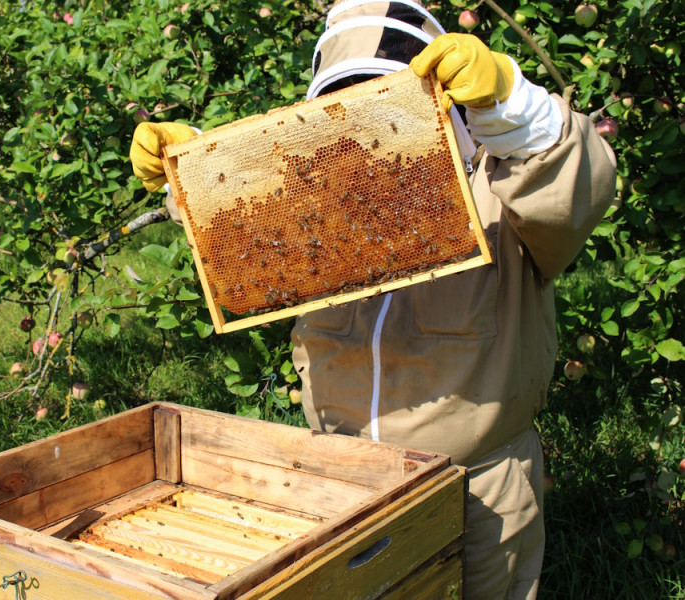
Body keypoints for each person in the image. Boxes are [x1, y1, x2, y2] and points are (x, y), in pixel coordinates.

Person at [129, 1, 617, 598]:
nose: (369, 125)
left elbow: (575, 184)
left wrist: (511, 104)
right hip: (340, 480)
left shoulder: (504, 194)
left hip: (479, 485)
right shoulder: (318, 198)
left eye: (384, 96)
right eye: (349, 99)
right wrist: (193, 168)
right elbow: (244, 221)